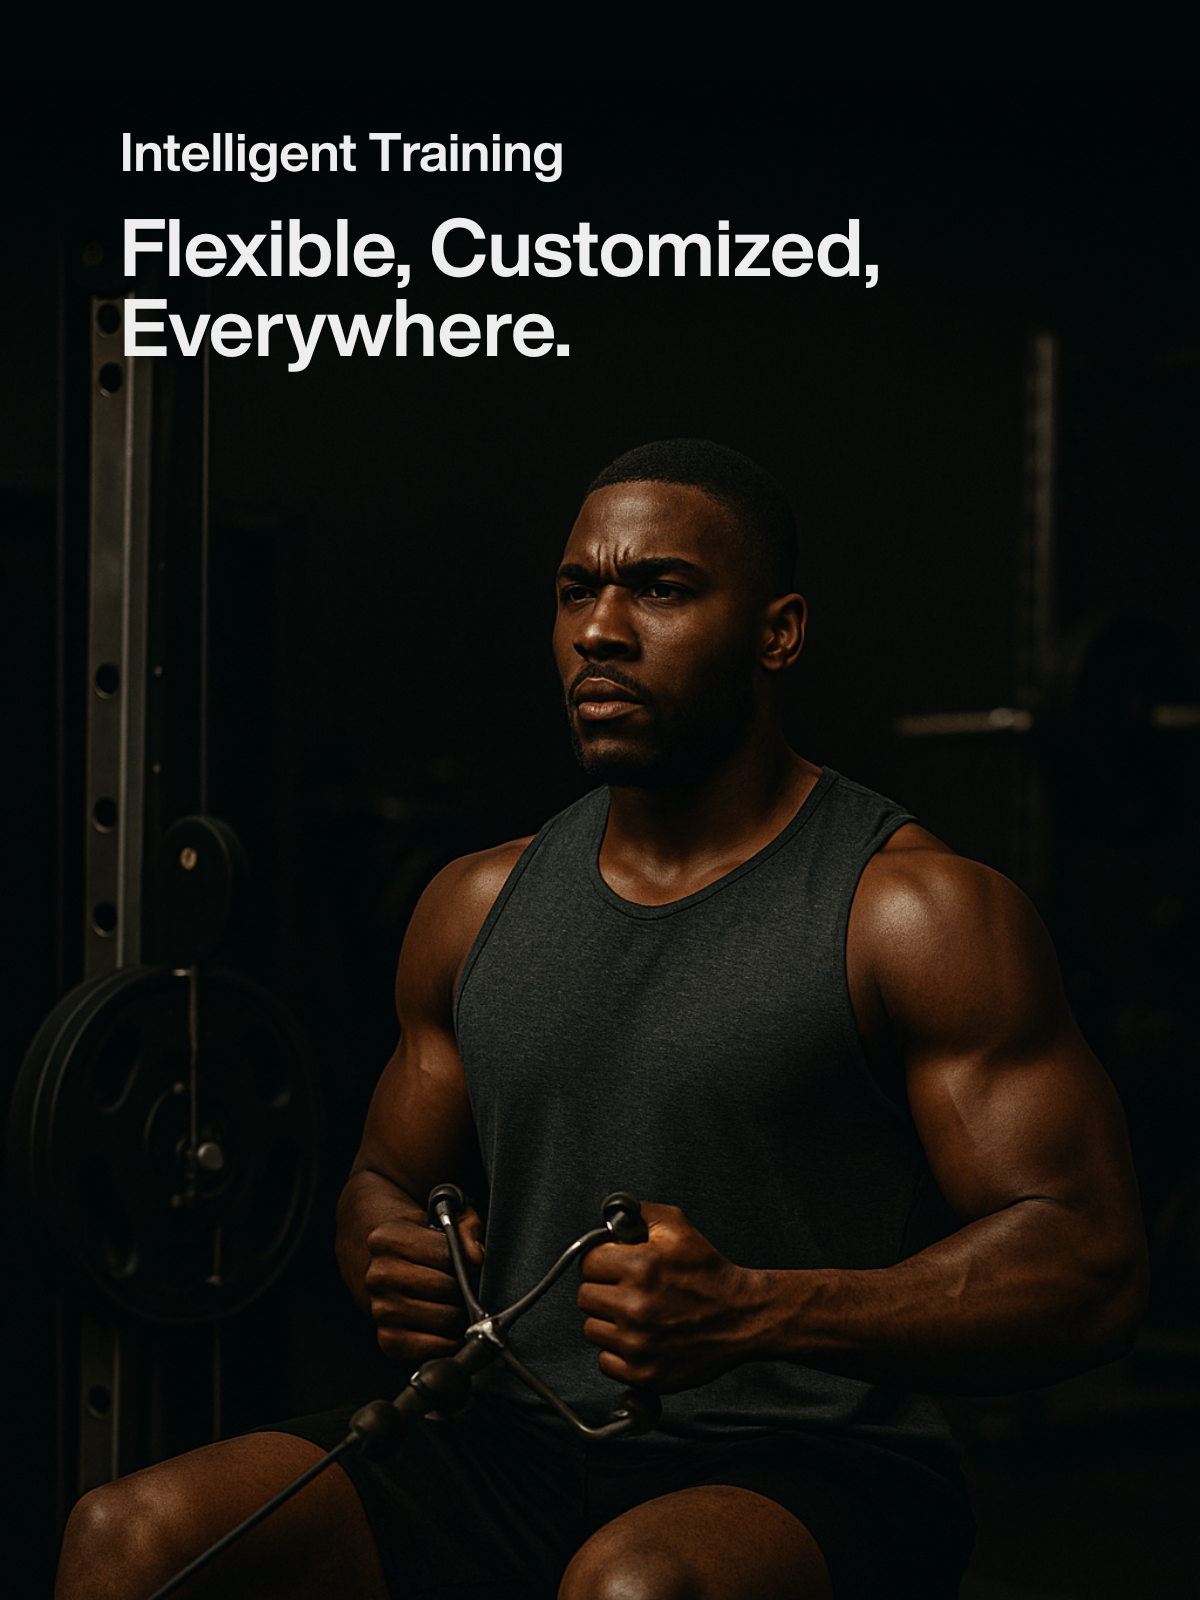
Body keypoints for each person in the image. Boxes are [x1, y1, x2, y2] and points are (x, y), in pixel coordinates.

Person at [56, 439, 1147, 1600]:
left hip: (814, 1458)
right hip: (512, 1444)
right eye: (579, 590)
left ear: (778, 632)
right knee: (128, 1536)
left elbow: (1088, 1265)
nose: (600, 630)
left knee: (632, 1589)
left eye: (661, 588)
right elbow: (376, 1186)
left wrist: (753, 1310)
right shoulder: (474, 905)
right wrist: (398, 1256)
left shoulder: (914, 912)